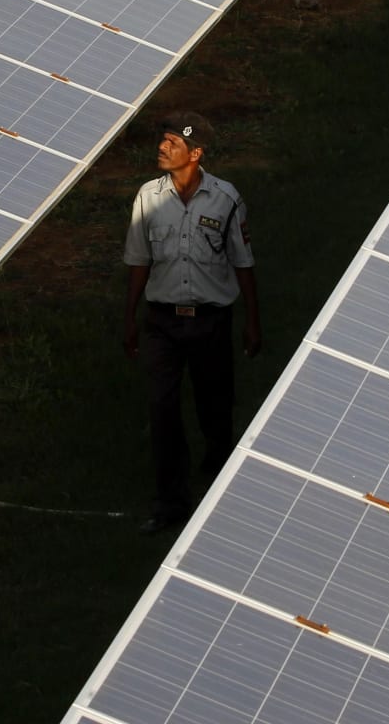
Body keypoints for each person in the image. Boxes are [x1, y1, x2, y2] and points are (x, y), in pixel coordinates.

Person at [122, 111, 259, 534]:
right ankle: (170, 504)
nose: (163, 148)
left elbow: (242, 263)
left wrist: (253, 321)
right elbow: (139, 262)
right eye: (162, 141)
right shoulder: (147, 196)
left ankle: (220, 493)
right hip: (162, 323)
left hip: (210, 323)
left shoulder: (227, 199)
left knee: (215, 409)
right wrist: (130, 319)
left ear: (195, 153)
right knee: (162, 411)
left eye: (173, 143)